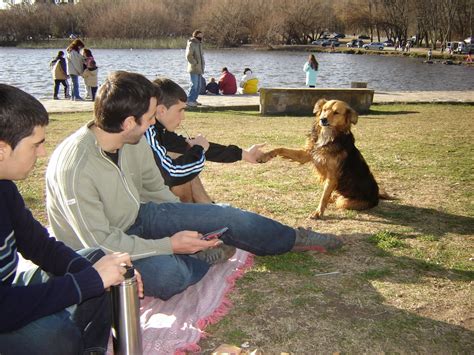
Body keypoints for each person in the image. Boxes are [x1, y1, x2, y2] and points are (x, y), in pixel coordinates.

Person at [45, 71, 343, 301]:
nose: (153, 125)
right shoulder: (76, 168)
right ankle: (195, 259)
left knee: (223, 215)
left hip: (139, 217)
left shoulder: (132, 139)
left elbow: (154, 189)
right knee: (167, 276)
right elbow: (102, 243)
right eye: (150, 118)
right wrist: (169, 244)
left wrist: (188, 220)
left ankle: (292, 238)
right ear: (127, 122)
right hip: (101, 253)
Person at [0, 83, 142, 354]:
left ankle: (88, 348)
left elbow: (39, 246)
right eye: (36, 144)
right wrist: (85, 283)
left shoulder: (4, 187)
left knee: (97, 260)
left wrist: (93, 273)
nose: (42, 153)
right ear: (2, 149)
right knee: (54, 336)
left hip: (8, 292)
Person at [145, 77, 266, 203]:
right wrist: (199, 148)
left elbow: (193, 147)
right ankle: (204, 213)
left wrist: (242, 154)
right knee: (183, 163)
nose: (183, 117)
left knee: (186, 156)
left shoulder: (159, 130)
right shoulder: (147, 131)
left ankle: (209, 209)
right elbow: (172, 174)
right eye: (180, 110)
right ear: (161, 110)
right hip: (143, 206)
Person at [185, 30, 205, 107]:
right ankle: (189, 100)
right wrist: (195, 63)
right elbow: (188, 56)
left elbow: (201, 56)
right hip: (194, 68)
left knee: (199, 86)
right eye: (199, 35)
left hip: (200, 68)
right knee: (194, 85)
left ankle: (194, 100)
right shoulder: (191, 44)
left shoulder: (200, 44)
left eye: (202, 35)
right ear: (195, 35)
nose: (201, 37)